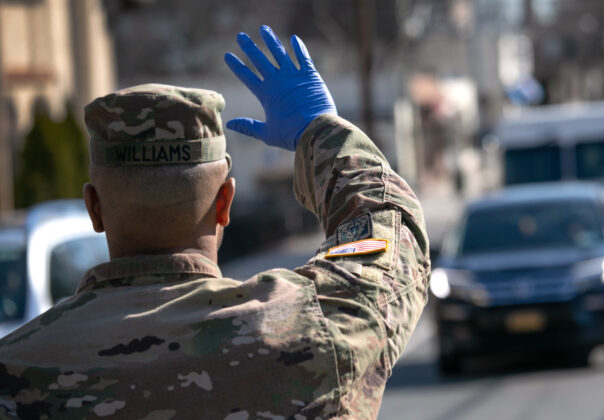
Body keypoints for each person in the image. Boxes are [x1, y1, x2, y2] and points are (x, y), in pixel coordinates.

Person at [0, 25, 429, 419]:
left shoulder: (13, 373)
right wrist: (320, 132)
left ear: (93, 208)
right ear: (225, 202)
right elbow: (393, 231)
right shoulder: (312, 328)